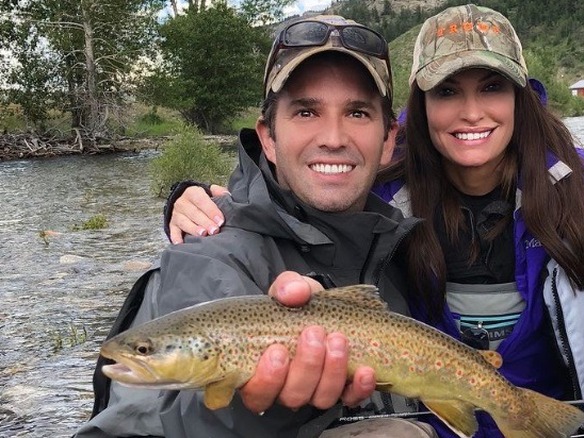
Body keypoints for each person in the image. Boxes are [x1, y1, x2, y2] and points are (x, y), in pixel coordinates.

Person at [168, 4, 584, 438]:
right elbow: (290, 195)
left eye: (491, 87)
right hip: (432, 417)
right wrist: (191, 196)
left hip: (558, 406)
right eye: (448, 90)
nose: (472, 111)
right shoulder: (384, 188)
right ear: (418, 110)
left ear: (520, 98)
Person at [75, 14, 440, 438]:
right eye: (306, 111)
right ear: (267, 138)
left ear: (388, 139)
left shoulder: (406, 242)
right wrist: (252, 409)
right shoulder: (203, 260)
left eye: (357, 112)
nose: (334, 136)